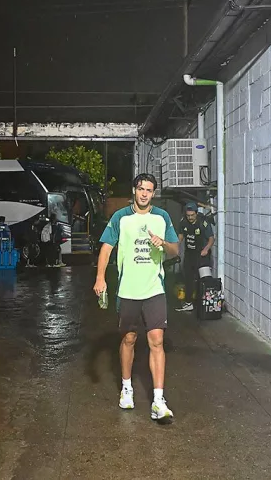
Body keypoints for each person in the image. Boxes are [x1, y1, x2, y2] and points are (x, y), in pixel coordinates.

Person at [93, 173, 180, 422]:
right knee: (129, 339)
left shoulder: (162, 217)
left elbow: (175, 250)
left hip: (154, 289)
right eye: (141, 189)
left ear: (154, 193)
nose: (144, 194)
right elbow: (106, 248)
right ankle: (127, 388)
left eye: (149, 190)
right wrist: (101, 278)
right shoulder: (121, 217)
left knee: (156, 341)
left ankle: (158, 400)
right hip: (128, 290)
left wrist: (162, 242)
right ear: (134, 190)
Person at [176, 202, 215, 312]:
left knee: (204, 279)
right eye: (188, 215)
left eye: (192, 215)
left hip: (202, 254)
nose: (190, 218)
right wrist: (175, 247)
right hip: (190, 254)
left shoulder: (203, 222)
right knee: (188, 279)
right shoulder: (183, 222)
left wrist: (206, 249)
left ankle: (205, 303)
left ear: (196, 213)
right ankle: (189, 303)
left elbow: (211, 238)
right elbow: (180, 236)